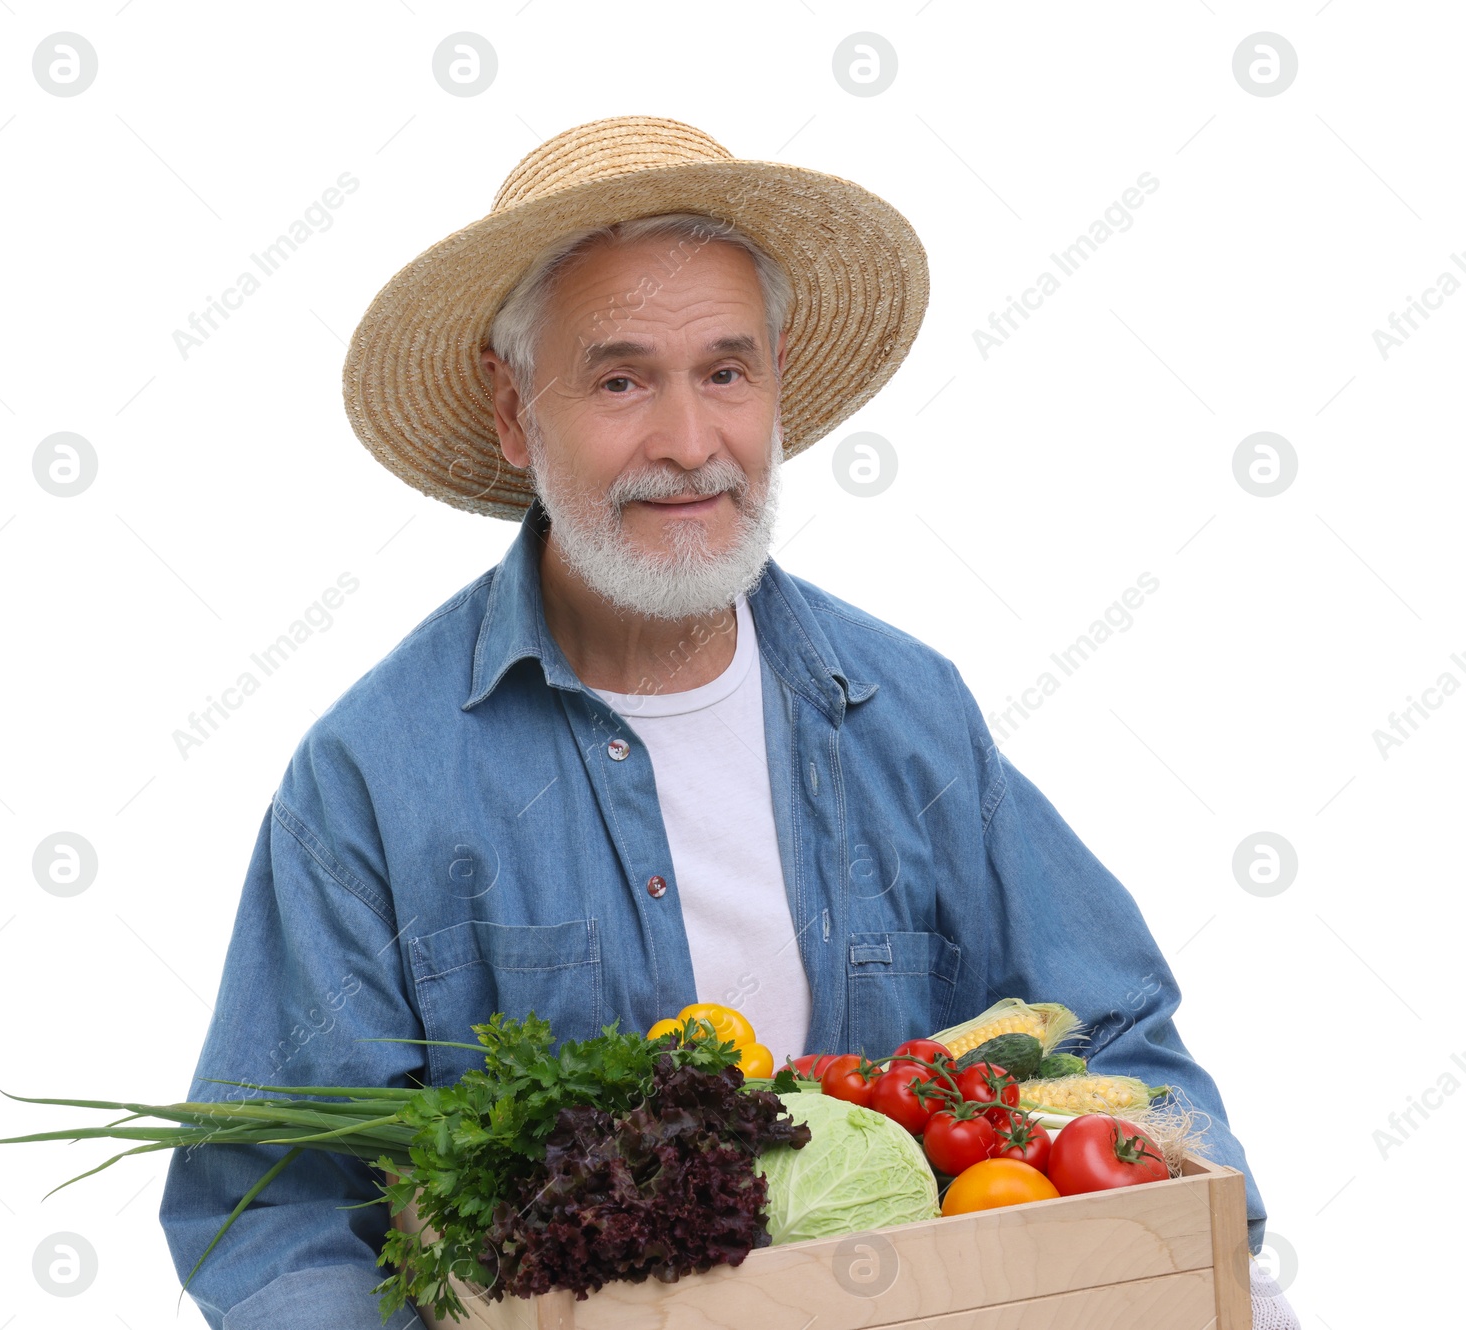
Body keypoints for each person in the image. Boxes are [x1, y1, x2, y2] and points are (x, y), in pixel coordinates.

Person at [160, 115, 1295, 1329]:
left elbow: (1117, 1035)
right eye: (618, 379)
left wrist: (1206, 1261)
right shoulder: (374, 777)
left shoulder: (907, 712)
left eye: (724, 371)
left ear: (778, 379)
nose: (690, 445)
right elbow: (273, 1208)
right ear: (512, 410)